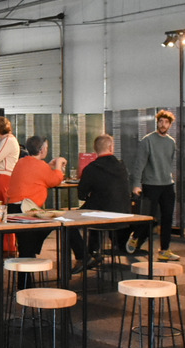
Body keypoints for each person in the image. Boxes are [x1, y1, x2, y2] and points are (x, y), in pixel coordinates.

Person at [6, 136, 80, 265]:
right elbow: (55, 180)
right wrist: (58, 165)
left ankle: (28, 262)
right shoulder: (40, 166)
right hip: (27, 212)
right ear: (41, 150)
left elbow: (36, 174)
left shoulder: (21, 162)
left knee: (26, 247)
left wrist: (48, 166)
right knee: (65, 223)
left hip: (14, 210)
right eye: (46, 147)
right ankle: (83, 256)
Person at [129, 109, 179, 261]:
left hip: (167, 185)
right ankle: (135, 237)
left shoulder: (171, 142)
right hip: (151, 184)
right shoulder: (147, 140)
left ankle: (164, 249)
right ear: (157, 123)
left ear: (170, 125)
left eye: (166, 122)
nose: (163, 124)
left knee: (167, 218)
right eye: (160, 121)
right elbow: (139, 164)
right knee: (148, 218)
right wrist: (136, 184)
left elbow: (169, 163)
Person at [77, 134, 134, 255]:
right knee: (99, 209)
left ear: (95, 149)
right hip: (123, 214)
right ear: (111, 147)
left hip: (100, 215)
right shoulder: (122, 166)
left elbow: (81, 195)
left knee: (73, 222)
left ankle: (88, 254)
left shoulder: (90, 168)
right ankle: (114, 246)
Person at [0, 116, 20, 253]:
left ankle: (8, 246)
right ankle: (4, 245)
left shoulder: (8, 141)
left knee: (2, 211)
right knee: (1, 211)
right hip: (2, 177)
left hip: (4, 178)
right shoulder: (6, 140)